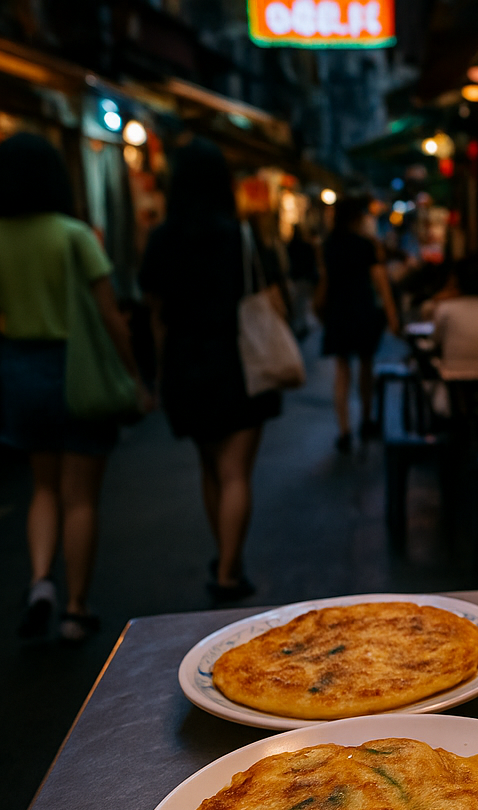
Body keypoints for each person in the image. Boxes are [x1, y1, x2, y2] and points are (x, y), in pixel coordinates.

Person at [0, 132, 146, 642]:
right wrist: (134, 376)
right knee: (80, 497)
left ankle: (40, 579)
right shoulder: (75, 235)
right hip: (79, 369)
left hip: (20, 369)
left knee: (42, 487)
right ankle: (75, 608)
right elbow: (110, 315)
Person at [139, 139, 283, 604]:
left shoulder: (162, 238)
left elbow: (154, 314)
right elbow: (277, 297)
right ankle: (228, 570)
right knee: (236, 471)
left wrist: (158, 376)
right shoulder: (240, 237)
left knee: (210, 467)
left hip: (185, 364)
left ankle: (223, 557)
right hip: (239, 363)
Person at [317, 194, 399, 451]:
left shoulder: (329, 245)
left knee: (342, 370)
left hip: (338, 310)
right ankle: (366, 419)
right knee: (366, 365)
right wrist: (392, 314)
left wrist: (319, 309)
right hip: (362, 309)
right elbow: (381, 281)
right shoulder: (367, 245)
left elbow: (325, 282)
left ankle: (344, 430)